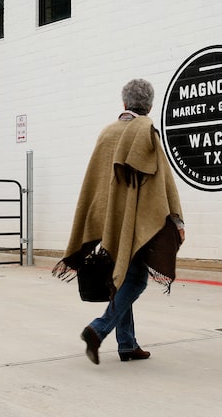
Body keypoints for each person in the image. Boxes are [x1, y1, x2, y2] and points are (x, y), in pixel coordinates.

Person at [53, 78, 185, 365]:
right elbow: (163, 181)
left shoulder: (107, 133)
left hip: (108, 219)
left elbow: (95, 182)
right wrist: (176, 218)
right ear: (150, 105)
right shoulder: (147, 132)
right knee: (136, 280)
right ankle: (98, 329)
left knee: (122, 278)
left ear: (124, 103)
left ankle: (127, 344)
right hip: (136, 221)